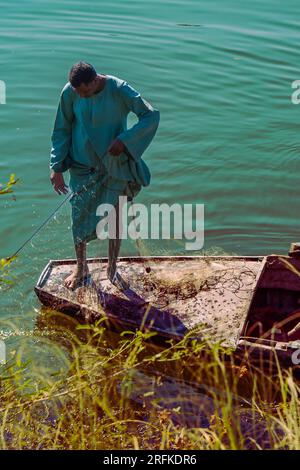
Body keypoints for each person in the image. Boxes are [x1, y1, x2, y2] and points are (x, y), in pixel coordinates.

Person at [50, 62, 160, 290]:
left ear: (94, 81)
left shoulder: (119, 89)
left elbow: (150, 116)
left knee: (116, 218)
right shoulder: (70, 92)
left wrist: (125, 140)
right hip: (81, 166)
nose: (81, 96)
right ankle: (81, 268)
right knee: (79, 219)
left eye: (85, 92)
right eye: (77, 92)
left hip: (114, 166)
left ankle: (112, 268)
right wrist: (56, 166)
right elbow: (61, 128)